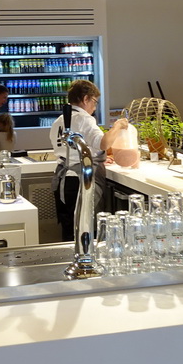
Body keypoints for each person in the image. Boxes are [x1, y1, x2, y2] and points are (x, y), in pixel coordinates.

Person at [49, 80, 128, 242]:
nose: (95, 107)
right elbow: (104, 143)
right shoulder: (85, 119)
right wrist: (118, 126)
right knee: (85, 231)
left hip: (63, 181)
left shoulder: (59, 120)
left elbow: (72, 150)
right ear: (86, 99)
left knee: (69, 231)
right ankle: (85, 264)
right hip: (80, 182)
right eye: (94, 101)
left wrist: (95, 156)